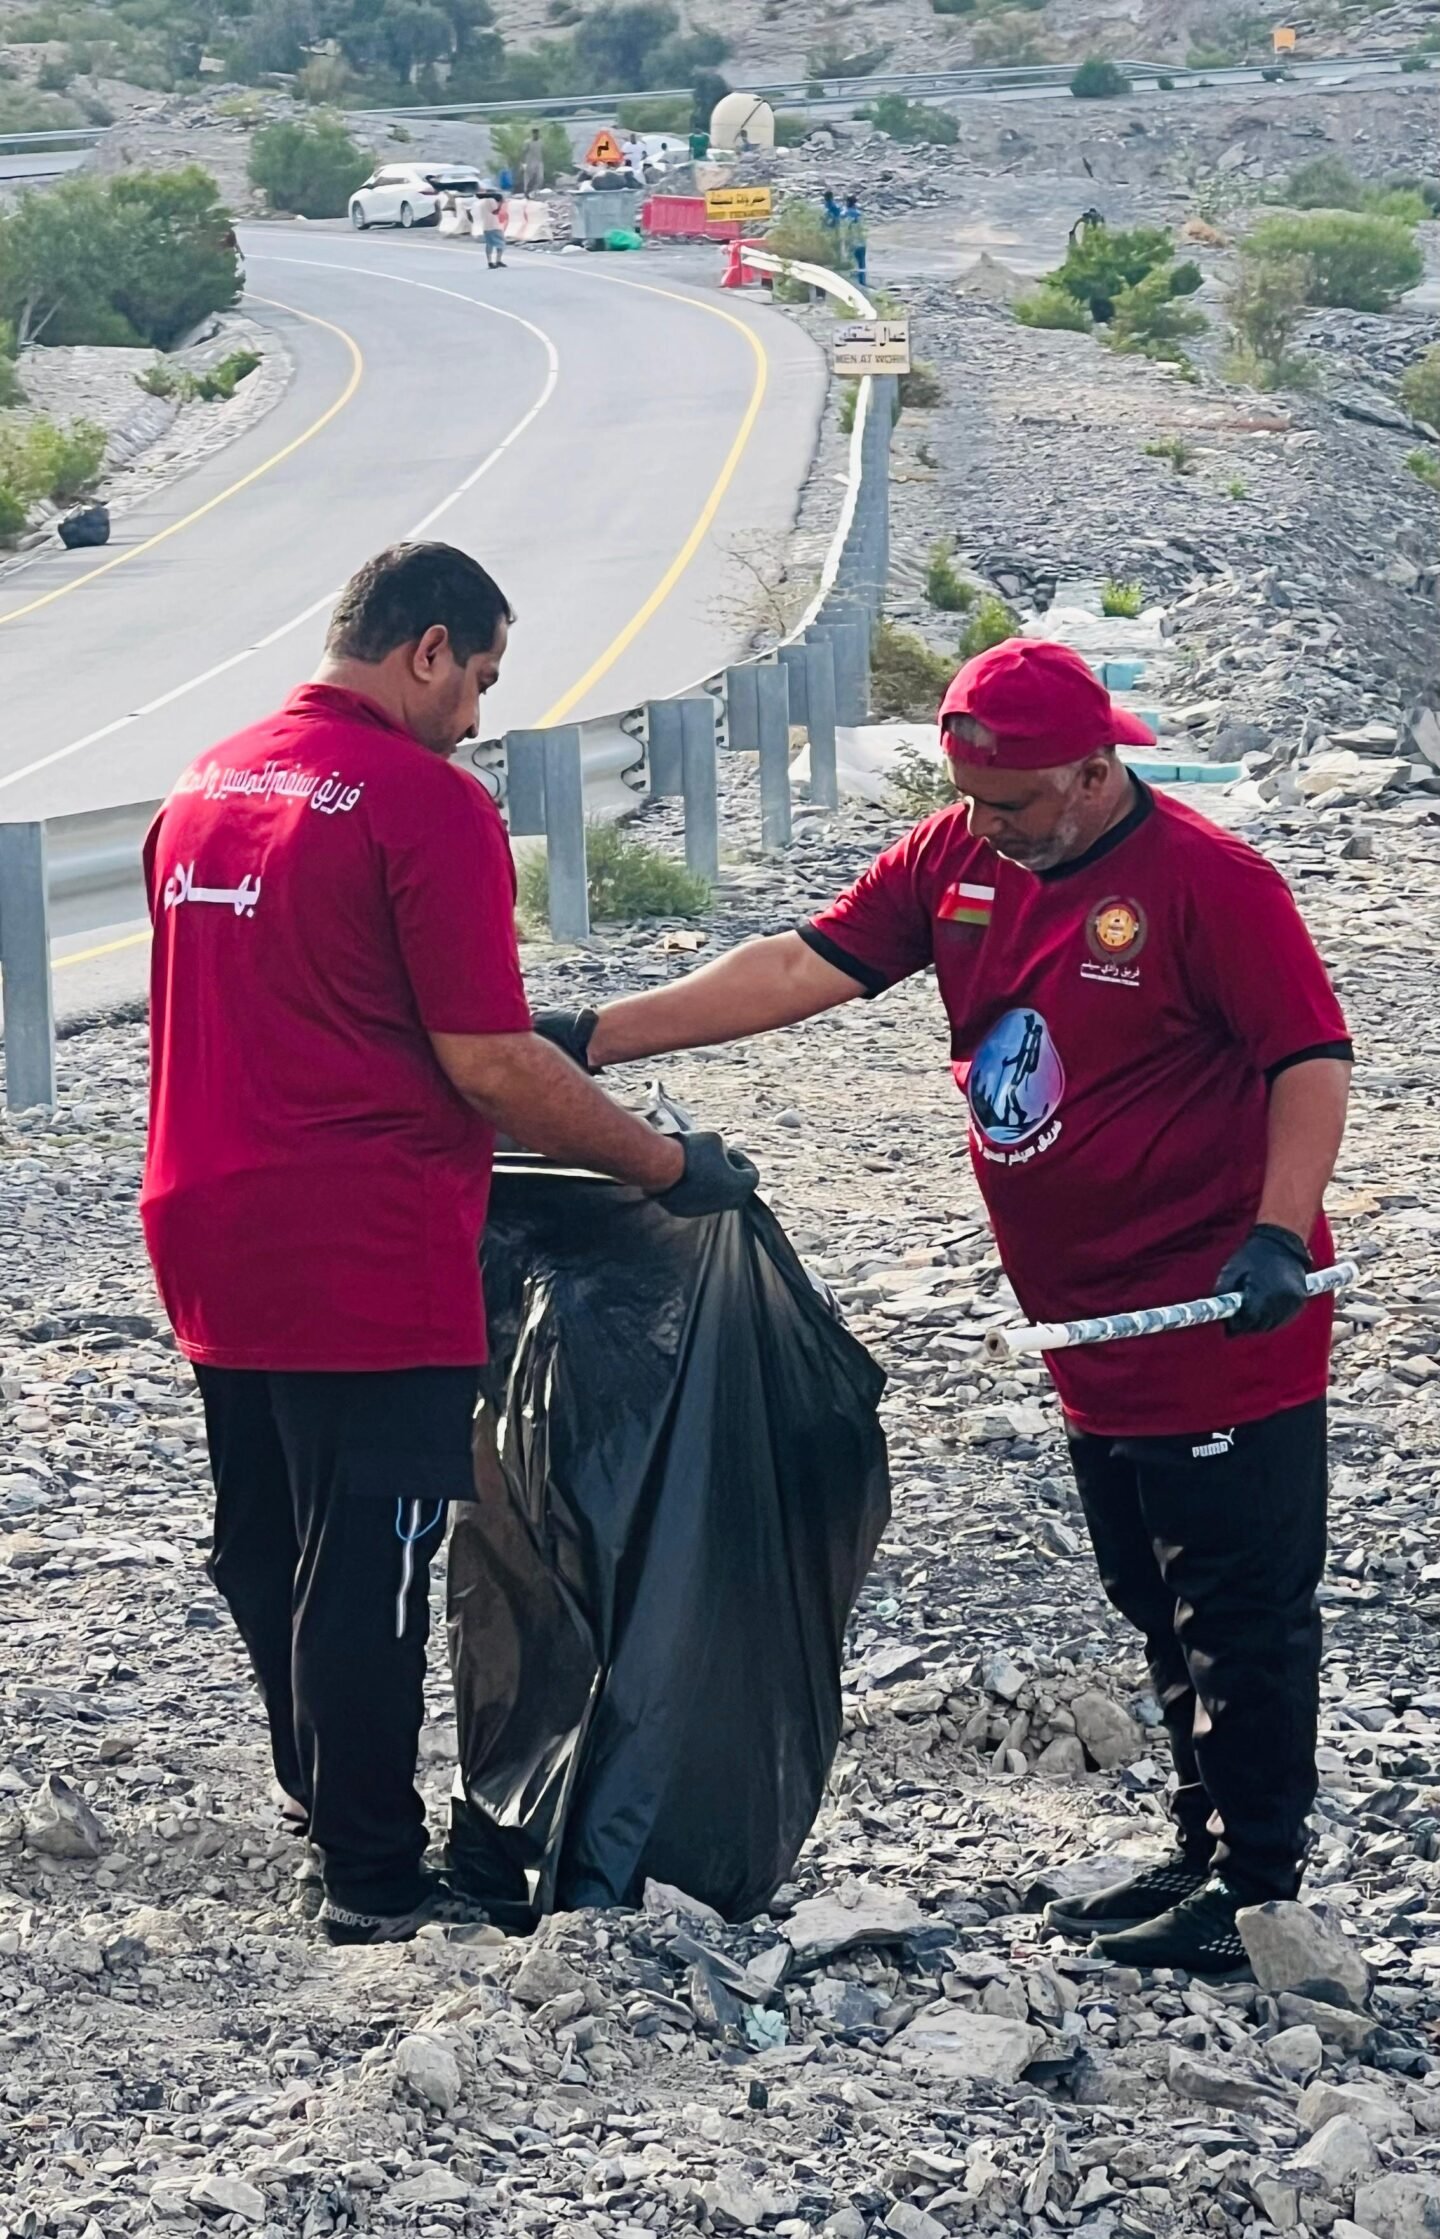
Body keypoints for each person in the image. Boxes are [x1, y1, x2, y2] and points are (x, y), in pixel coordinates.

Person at [534, 639, 1352, 1979]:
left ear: (1094, 771)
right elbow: (801, 966)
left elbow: (1308, 1058)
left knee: (1238, 1608)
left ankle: (1256, 1886)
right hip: (1088, 1327)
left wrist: (1275, 1232)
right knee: (1150, 1592)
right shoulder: (957, 861)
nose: (987, 824)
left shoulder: (1210, 883)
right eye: (970, 797)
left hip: (1216, 1320)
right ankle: (1200, 1845)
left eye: (1012, 802)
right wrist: (592, 1035)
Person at [140, 542, 756, 1950]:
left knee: (268, 1535)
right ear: (425, 648)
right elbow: (486, 1064)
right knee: (370, 1555)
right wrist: (667, 1167)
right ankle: (371, 1876)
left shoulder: (208, 782)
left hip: (205, 1218)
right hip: (361, 1240)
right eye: (476, 677)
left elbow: (307, 995)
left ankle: (319, 1794)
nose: (476, 715)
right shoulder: (422, 801)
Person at [476, 186, 506, 268]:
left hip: (486, 226)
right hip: (494, 225)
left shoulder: (482, 202)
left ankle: (490, 262)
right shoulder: (491, 200)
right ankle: (498, 260)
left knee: (489, 244)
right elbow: (495, 211)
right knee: (501, 243)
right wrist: (501, 203)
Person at [841, 193, 867, 287]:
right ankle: (862, 282)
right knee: (861, 263)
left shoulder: (844, 214)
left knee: (851, 261)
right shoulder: (859, 214)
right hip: (861, 241)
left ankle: (852, 283)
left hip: (850, 241)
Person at [521, 128, 545, 196]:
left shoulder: (540, 142)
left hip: (539, 162)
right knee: (528, 179)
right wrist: (522, 164)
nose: (536, 135)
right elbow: (523, 152)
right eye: (534, 133)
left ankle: (535, 192)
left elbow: (543, 151)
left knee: (540, 178)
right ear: (532, 134)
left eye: (537, 133)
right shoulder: (527, 142)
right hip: (529, 162)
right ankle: (526, 192)